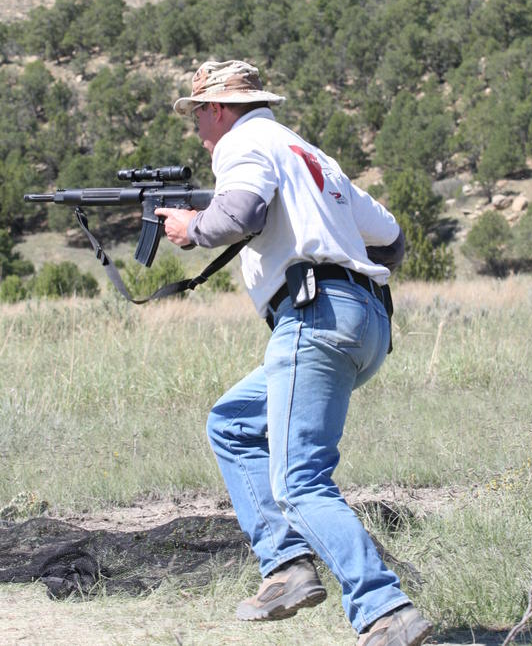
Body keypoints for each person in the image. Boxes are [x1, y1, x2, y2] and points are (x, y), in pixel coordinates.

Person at [155, 60, 432, 646]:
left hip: (312, 316)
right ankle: (286, 569)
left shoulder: (242, 142)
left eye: (198, 112)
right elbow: (393, 240)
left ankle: (388, 611)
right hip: (362, 320)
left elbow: (241, 213)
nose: (198, 126)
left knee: (299, 482)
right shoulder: (310, 154)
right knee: (231, 422)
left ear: (219, 108)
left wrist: (193, 226)